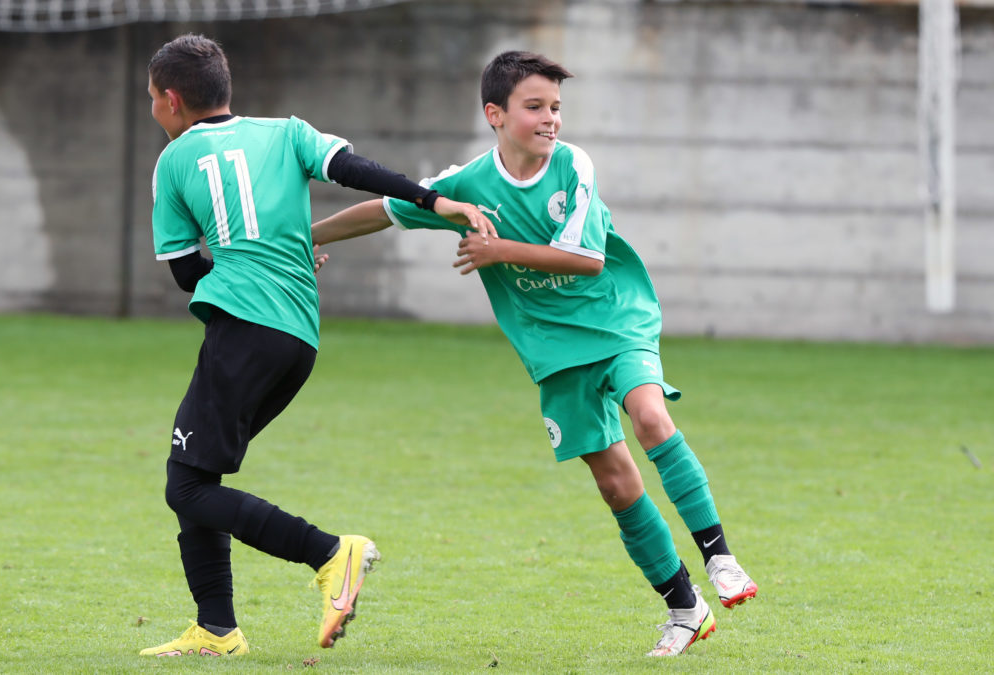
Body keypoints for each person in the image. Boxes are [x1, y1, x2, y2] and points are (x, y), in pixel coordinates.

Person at [312, 50, 757, 657]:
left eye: (556, 108)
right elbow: (386, 211)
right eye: (535, 107)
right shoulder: (466, 185)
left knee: (650, 416)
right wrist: (305, 238)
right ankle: (685, 608)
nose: (551, 119)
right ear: (495, 114)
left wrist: (500, 252)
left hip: (614, 319)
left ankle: (720, 559)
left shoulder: (573, 165)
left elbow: (587, 259)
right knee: (615, 483)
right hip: (552, 351)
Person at [140, 34, 494, 658]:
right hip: (297, 337)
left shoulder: (173, 162)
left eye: (151, 100)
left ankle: (331, 553)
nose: (153, 111)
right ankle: (216, 630)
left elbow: (185, 273)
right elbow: (357, 171)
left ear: (171, 100)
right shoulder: (287, 131)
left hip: (243, 333)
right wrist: (436, 199)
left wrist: (236, 284)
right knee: (197, 473)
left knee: (186, 487)